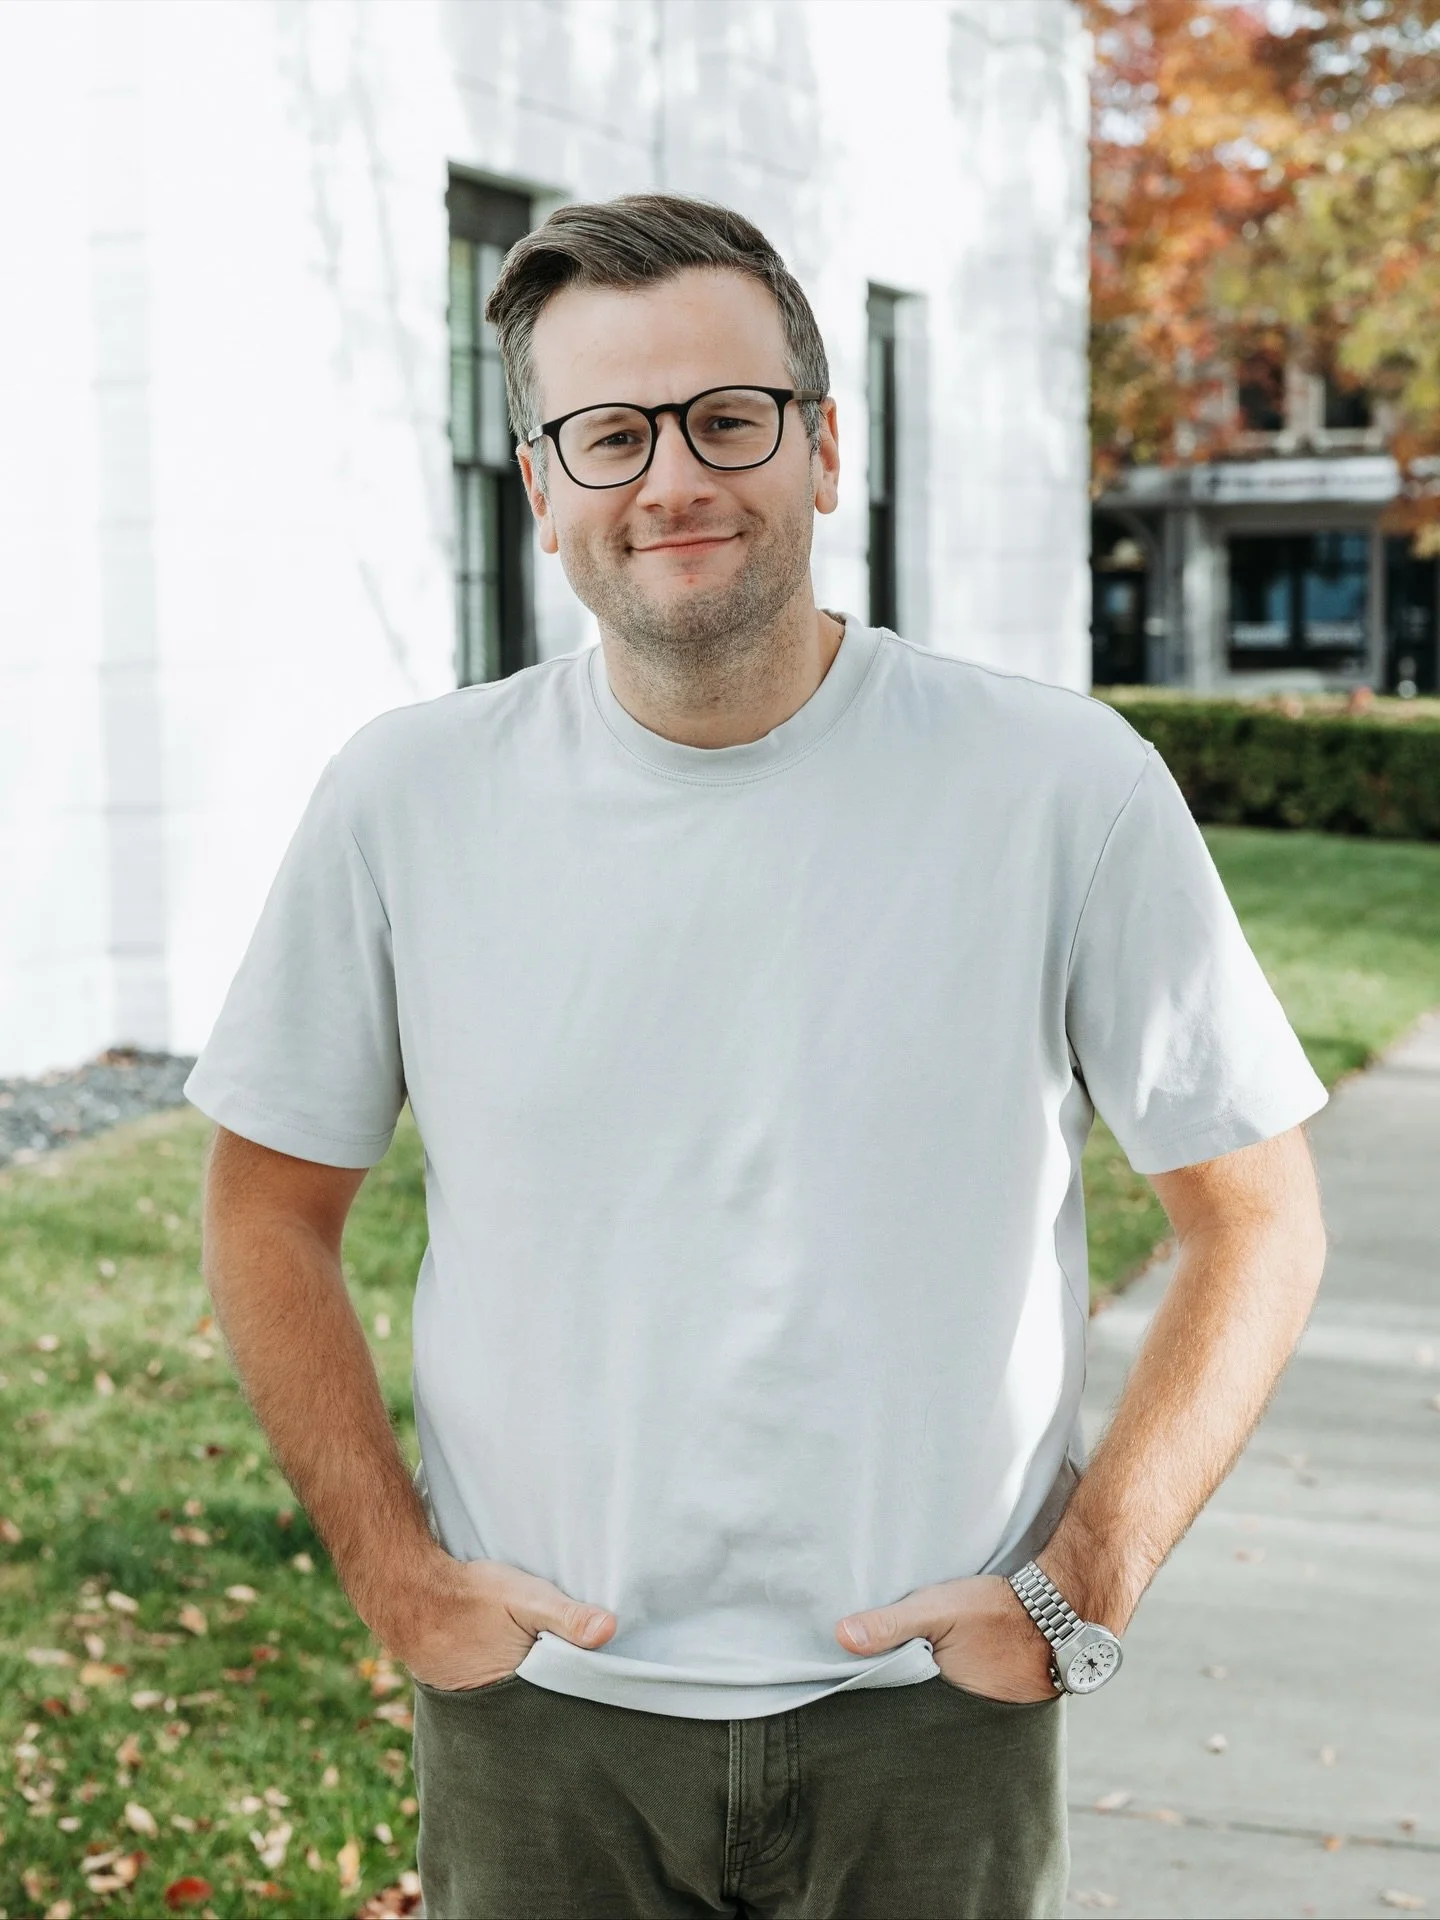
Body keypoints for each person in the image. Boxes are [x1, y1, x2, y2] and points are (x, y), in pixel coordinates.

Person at [187, 193, 1329, 1920]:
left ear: (823, 448)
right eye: (609, 433)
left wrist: (1084, 1581)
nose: (673, 480)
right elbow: (268, 1209)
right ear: (542, 488)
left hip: (931, 1724)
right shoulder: (404, 802)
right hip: (543, 1725)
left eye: (730, 419)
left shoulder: (1061, 788)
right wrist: (399, 1581)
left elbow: (1258, 1215)